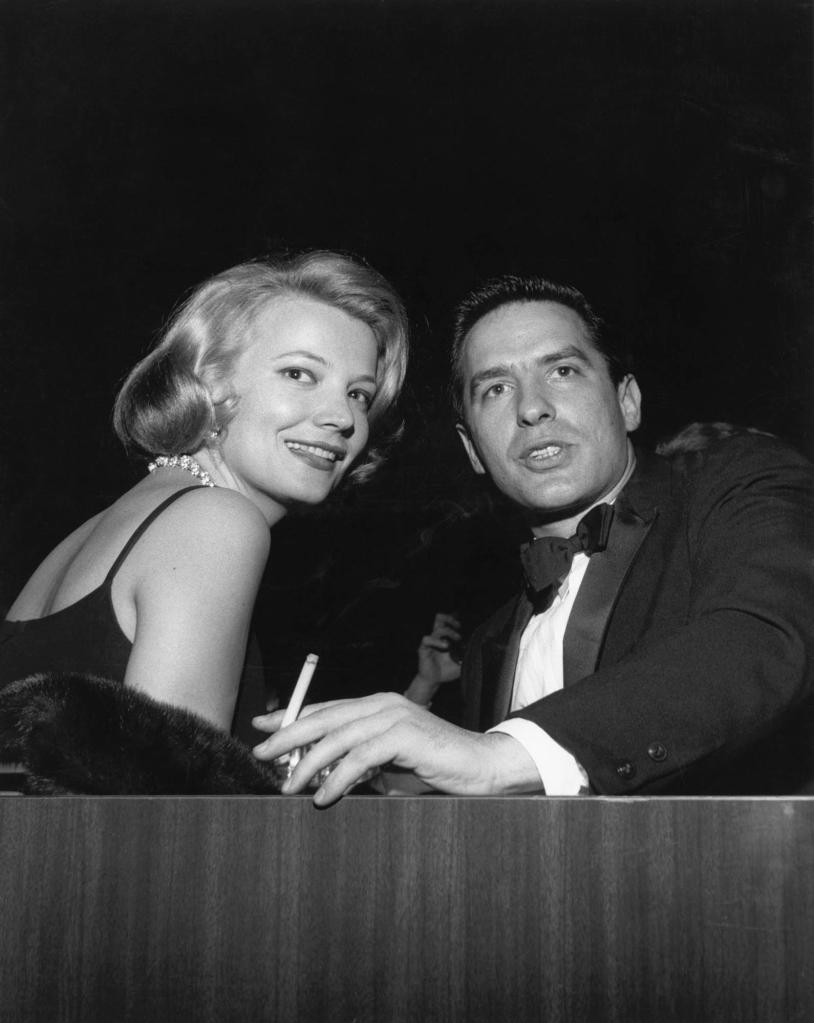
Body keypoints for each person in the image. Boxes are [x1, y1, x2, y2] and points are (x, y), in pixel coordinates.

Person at [252, 273, 814, 803]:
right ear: (472, 448)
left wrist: (501, 756)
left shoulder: (738, 483)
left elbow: (764, 637)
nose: (532, 408)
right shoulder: (487, 645)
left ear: (628, 401)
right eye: (496, 388)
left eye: (563, 371)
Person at [0, 251, 409, 745]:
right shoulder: (217, 520)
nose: (341, 417)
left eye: (358, 394)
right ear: (210, 380)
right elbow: (176, 814)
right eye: (299, 374)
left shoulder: (88, 537)